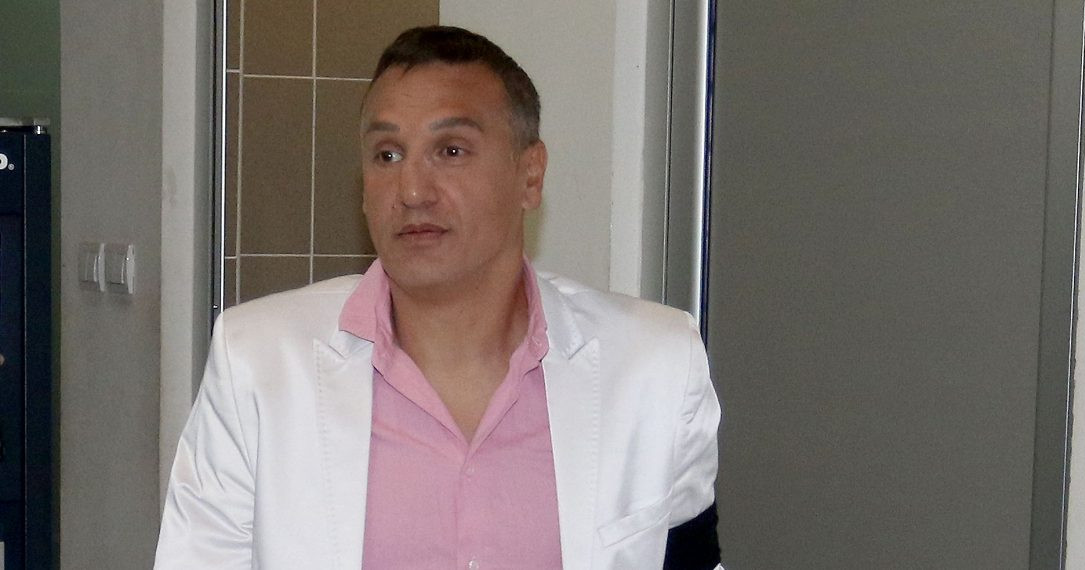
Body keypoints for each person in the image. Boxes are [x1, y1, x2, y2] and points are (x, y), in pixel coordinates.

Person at [154, 26, 721, 570]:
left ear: (530, 175)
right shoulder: (258, 364)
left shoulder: (654, 367)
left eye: (450, 150)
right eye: (387, 155)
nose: (412, 190)